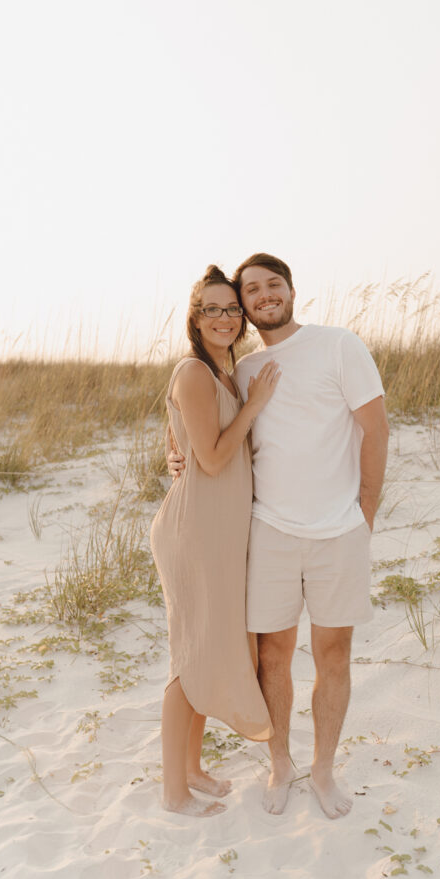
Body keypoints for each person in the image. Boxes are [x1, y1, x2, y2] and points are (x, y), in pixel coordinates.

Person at [168, 254, 389, 819]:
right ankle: (280, 765)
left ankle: (322, 770)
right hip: (268, 532)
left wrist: (366, 509)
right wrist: (176, 455)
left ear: (291, 289)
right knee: (272, 655)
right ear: (240, 306)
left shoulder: (339, 344)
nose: (263, 296)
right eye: (251, 291)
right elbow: (213, 435)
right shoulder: (240, 373)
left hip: (339, 530)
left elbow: (375, 427)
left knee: (334, 652)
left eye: (273, 285)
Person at [150, 264, 280, 817]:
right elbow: (211, 456)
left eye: (232, 308)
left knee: (204, 651)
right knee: (191, 658)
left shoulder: (221, 372)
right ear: (195, 318)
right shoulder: (195, 373)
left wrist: (170, 450)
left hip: (220, 532)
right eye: (213, 309)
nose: (225, 318)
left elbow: (177, 439)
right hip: (195, 532)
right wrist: (255, 405)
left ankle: (193, 767)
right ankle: (172, 791)